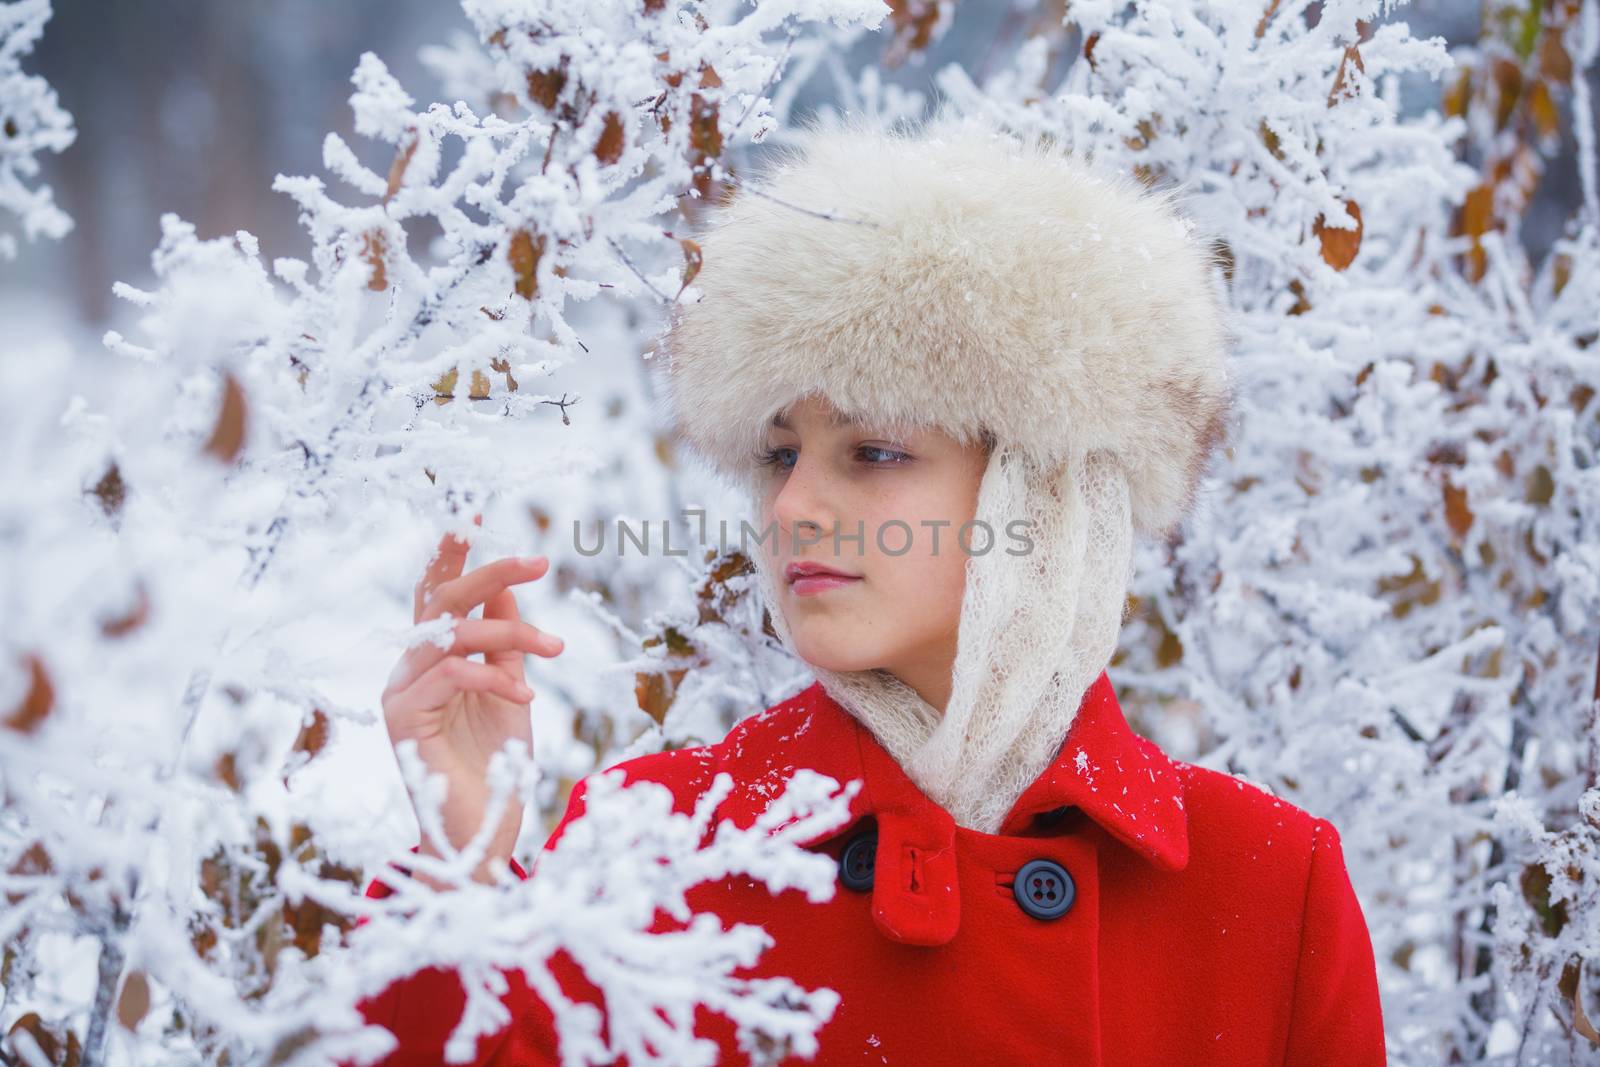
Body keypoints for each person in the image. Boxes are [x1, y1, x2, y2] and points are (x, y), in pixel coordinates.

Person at [345, 110, 1387, 1065]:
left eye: (874, 451)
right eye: (779, 452)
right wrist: (466, 869)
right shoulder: (662, 840)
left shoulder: (1265, 883)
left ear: (1048, 487)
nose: (792, 505)